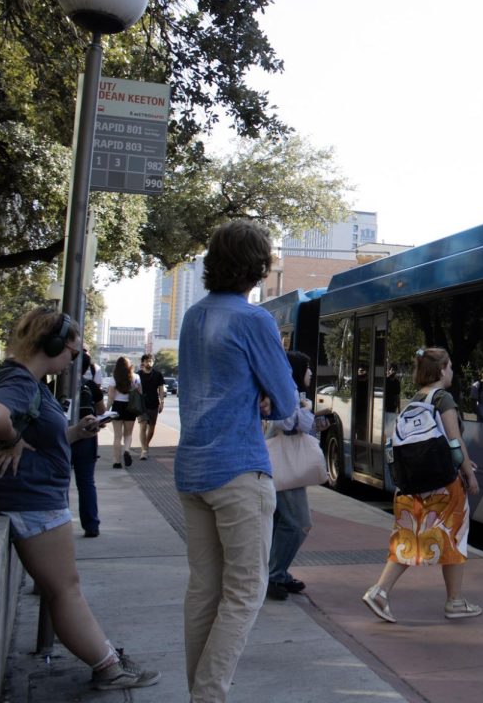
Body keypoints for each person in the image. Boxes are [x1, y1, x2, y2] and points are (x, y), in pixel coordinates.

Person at [0, 308, 159, 690]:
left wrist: (76, 432)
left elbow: (38, 434)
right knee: (66, 588)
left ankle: (107, 660)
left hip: (32, 497)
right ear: (53, 344)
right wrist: (11, 439)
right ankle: (108, 666)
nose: (72, 363)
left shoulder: (26, 380)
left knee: (64, 588)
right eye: (73, 354)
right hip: (31, 499)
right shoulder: (18, 380)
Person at [175, 219, 297, 703]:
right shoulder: (254, 320)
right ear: (258, 267)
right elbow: (287, 402)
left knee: (204, 588)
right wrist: (266, 396)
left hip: (191, 470)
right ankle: (208, 696)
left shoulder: (192, 316)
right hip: (239, 470)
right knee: (246, 590)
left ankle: (200, 692)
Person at [362, 347, 482, 622]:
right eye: (449, 366)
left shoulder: (414, 401)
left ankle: (380, 590)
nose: (451, 371)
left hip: (413, 485)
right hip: (444, 486)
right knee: (454, 535)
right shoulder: (444, 399)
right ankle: (454, 601)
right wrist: (469, 472)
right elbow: (454, 442)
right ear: (441, 370)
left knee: (409, 538)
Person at [265, 350, 330, 601]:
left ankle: (274, 572)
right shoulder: (286, 392)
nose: (311, 373)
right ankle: (275, 574)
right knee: (298, 523)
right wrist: (307, 414)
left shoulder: (289, 391)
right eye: (308, 368)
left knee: (281, 522)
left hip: (282, 465)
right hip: (285, 465)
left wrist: (312, 421)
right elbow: (288, 425)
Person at [72, 349, 106, 537]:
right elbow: (100, 410)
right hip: (87, 438)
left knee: (60, 483)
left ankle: (56, 525)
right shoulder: (91, 386)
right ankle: (91, 525)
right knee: (86, 483)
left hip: (63, 437)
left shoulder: (56, 385)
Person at [104, 356, 140, 469]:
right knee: (128, 434)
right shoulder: (136, 377)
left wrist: (106, 411)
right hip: (131, 407)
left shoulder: (114, 378)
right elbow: (140, 392)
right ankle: (127, 450)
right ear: (130, 366)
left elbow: (110, 396)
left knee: (117, 436)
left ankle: (117, 462)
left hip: (117, 406)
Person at [135, 353, 166, 460]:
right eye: (147, 361)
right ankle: (144, 450)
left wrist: (162, 402)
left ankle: (146, 445)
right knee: (143, 426)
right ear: (143, 362)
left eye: (151, 361)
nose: (149, 363)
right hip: (141, 404)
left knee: (151, 428)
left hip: (154, 404)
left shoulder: (158, 375)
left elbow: (161, 389)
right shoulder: (138, 375)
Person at [382, 363, 401, 438]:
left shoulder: (397, 382)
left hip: (392, 406)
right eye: (390, 370)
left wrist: (399, 409)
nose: (392, 371)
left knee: (390, 425)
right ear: (388, 370)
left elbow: (397, 396)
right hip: (383, 406)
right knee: (382, 424)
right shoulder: (385, 381)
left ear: (396, 371)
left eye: (394, 370)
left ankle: (388, 440)